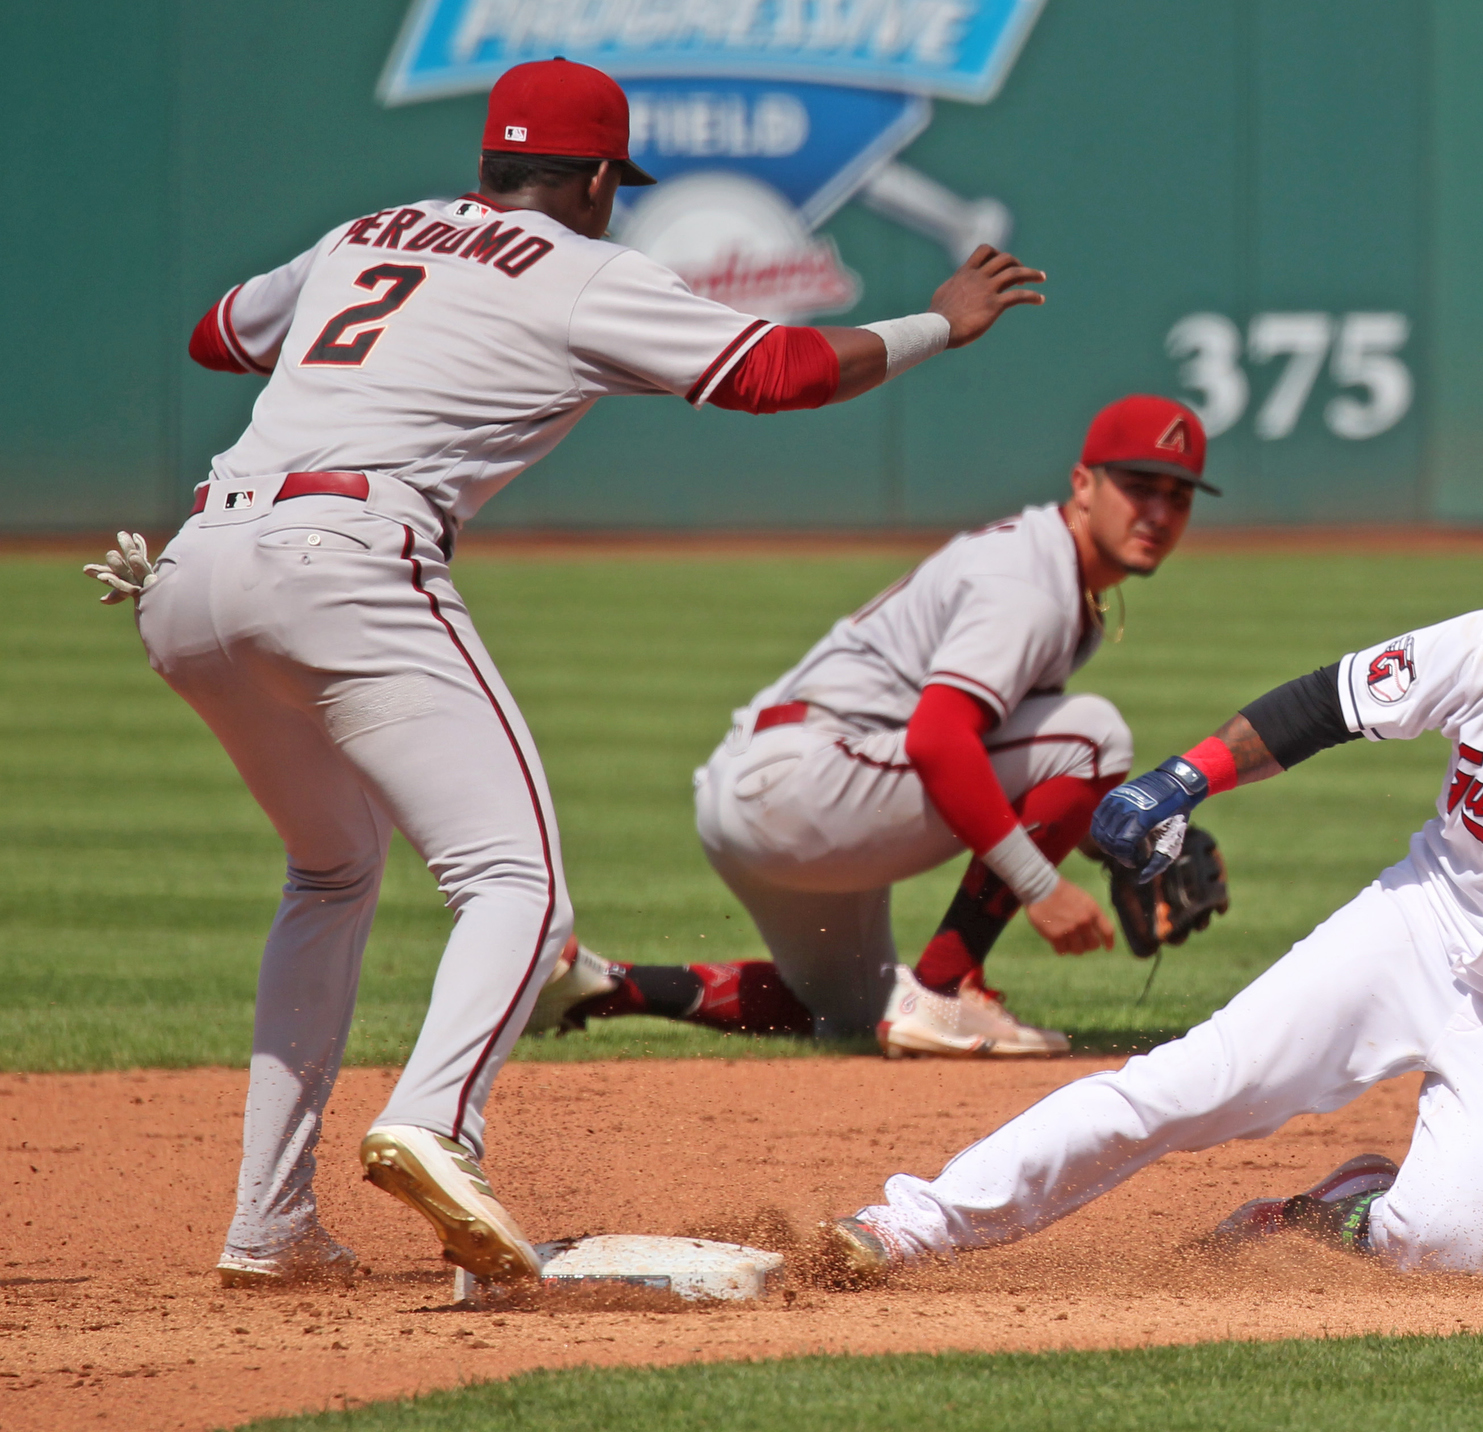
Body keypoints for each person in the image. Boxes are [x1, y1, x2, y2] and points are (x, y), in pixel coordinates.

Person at [83, 57, 1043, 1287]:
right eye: (612, 182)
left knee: (330, 870)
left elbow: (219, 334)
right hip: (343, 556)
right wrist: (938, 323)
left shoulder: (364, 231)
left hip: (189, 567)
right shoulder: (586, 270)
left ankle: (268, 1228)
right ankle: (435, 1125)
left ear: (487, 163)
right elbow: (780, 373)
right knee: (519, 893)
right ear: (593, 178)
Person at [819, 482, 1483, 1282]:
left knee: (1444, 1248)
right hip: (1411, 929)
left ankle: (1331, 1210)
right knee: (1184, 1084)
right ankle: (910, 1222)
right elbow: (1325, 703)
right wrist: (1174, 781)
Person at [529, 395, 1216, 1057]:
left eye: (1178, 498)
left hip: (765, 787)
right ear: (1084, 484)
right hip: (811, 777)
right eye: (1139, 487)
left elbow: (992, 758)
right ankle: (946, 990)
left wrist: (1116, 842)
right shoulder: (1032, 585)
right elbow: (939, 740)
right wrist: (1042, 886)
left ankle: (600, 986)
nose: (1157, 512)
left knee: (851, 1011)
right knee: (1095, 736)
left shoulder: (1046, 562)